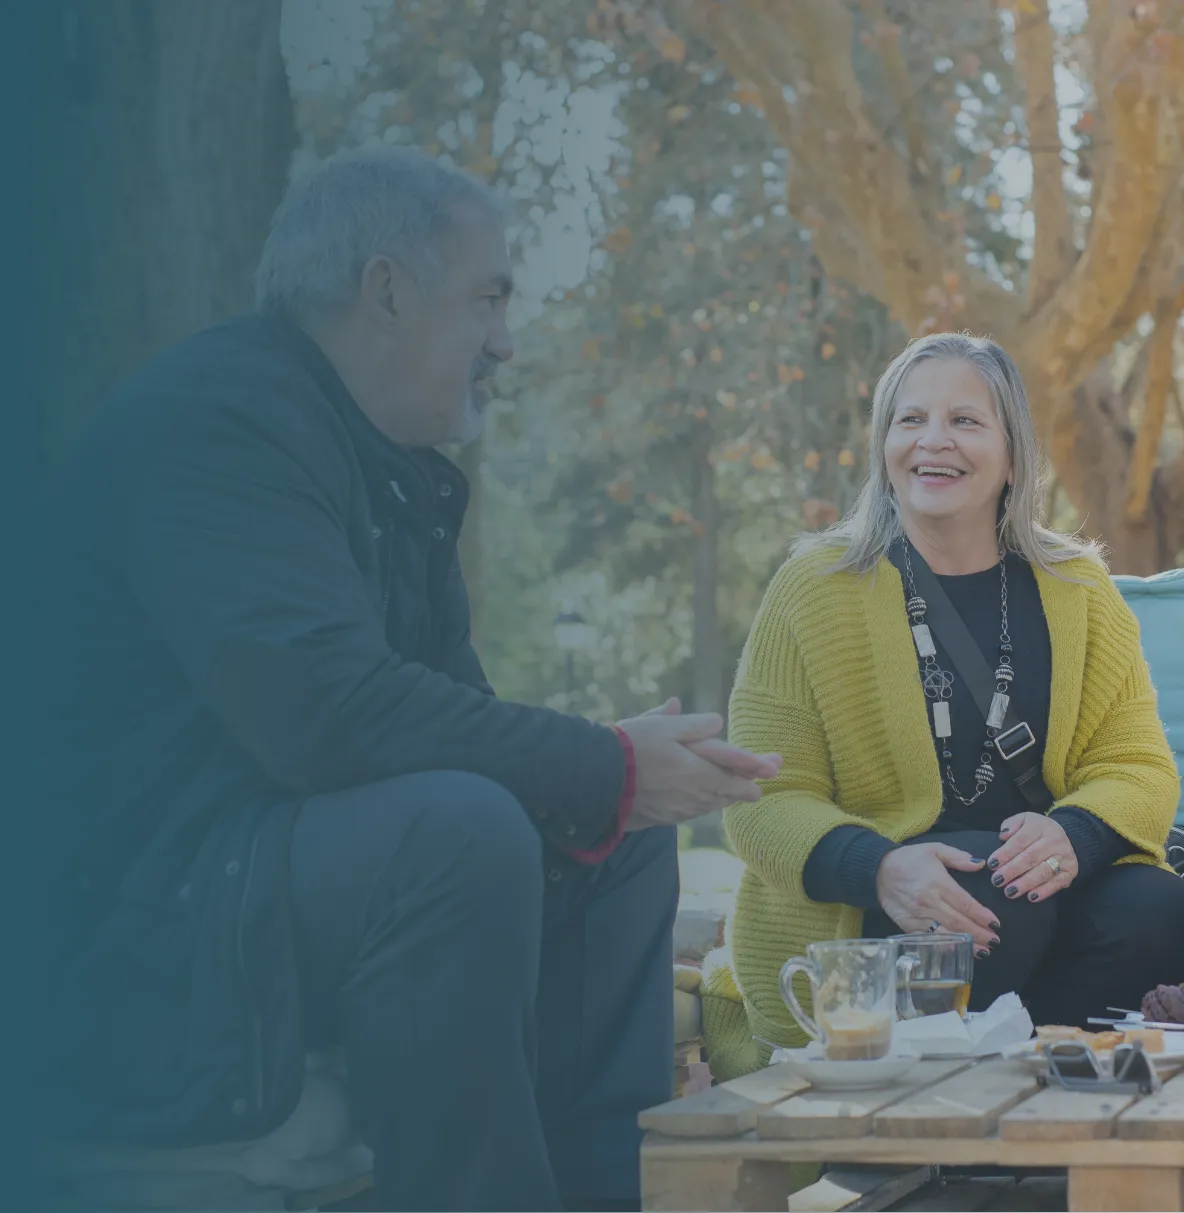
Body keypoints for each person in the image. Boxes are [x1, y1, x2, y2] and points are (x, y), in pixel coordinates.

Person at [23, 148, 780, 1211]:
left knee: (611, 837)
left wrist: (613, 777)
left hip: (264, 875)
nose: (505, 341)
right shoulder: (217, 420)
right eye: (488, 299)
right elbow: (325, 714)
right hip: (141, 912)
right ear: (385, 290)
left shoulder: (394, 475)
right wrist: (604, 761)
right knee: (461, 828)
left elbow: (447, 723)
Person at [702, 332, 1184, 1079]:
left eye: (964, 421)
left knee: (1160, 912)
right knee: (992, 902)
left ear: (1012, 454)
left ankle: (1026, 1082)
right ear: (884, 445)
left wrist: (1072, 834)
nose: (932, 441)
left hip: (1030, 890)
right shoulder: (814, 588)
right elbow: (761, 798)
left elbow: (1137, 765)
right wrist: (879, 867)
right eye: (909, 420)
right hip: (883, 911)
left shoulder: (1076, 587)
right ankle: (953, 1107)